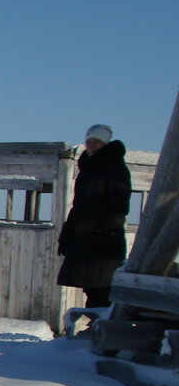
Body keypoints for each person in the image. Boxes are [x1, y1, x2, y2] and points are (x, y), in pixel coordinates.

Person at [57, 124, 131, 308]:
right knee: (90, 285)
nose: (91, 145)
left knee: (102, 287)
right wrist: (67, 235)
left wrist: (109, 231)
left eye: (96, 141)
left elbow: (119, 204)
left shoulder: (115, 168)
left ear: (105, 143)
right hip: (84, 236)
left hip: (102, 239)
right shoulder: (88, 170)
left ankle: (100, 325)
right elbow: (78, 206)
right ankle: (94, 325)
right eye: (88, 141)